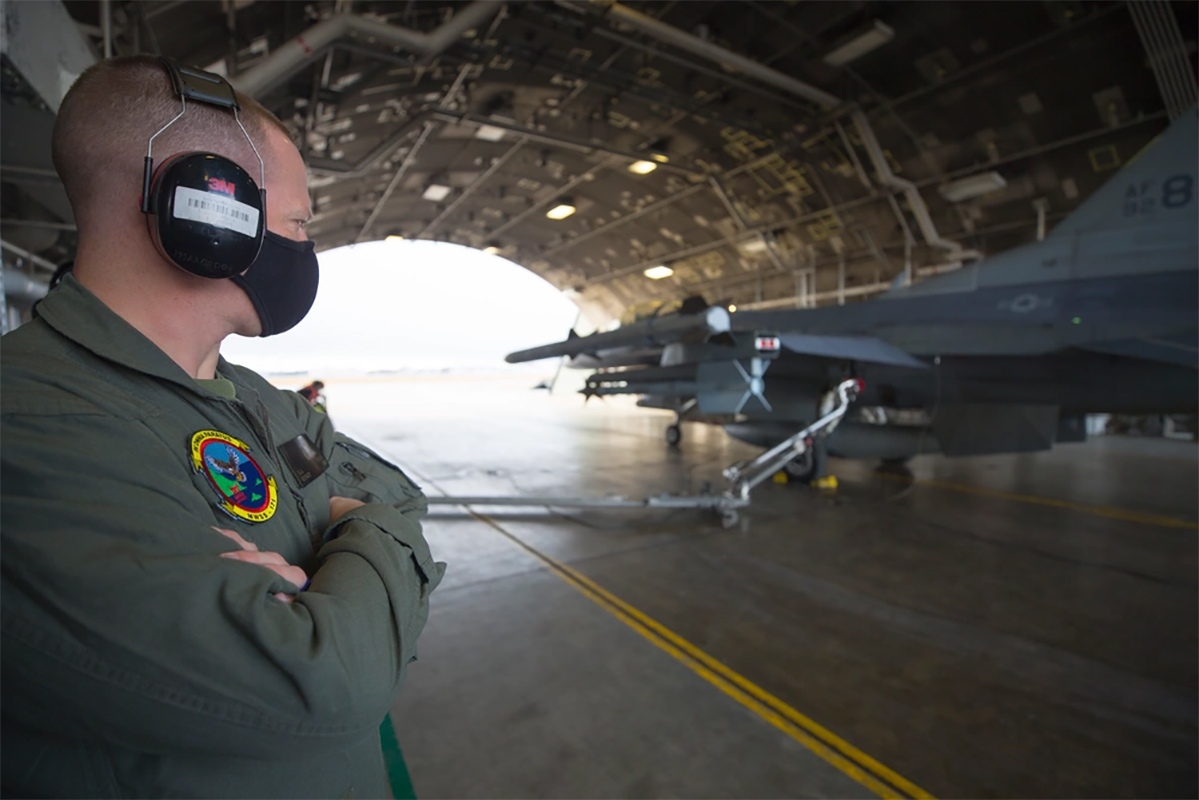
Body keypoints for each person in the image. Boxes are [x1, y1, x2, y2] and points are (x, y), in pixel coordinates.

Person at [1, 56, 444, 798]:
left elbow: (397, 493)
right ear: (206, 207)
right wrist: (357, 543)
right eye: (298, 221)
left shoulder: (260, 401)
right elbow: (327, 680)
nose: (305, 248)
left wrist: (335, 568)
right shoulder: (29, 423)